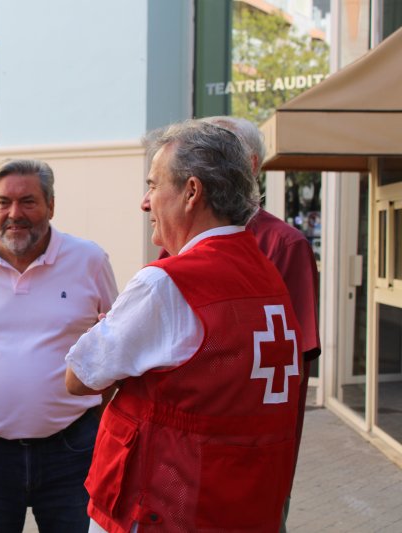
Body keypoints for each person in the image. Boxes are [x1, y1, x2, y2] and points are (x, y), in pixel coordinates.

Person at [65, 120, 303, 532]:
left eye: (154, 185)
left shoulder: (168, 283)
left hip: (163, 507)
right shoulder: (266, 275)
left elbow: (79, 378)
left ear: (192, 192)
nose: (145, 202)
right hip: (240, 506)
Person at [0, 159, 118, 532]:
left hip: (74, 449)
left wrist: (98, 418)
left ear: (51, 205)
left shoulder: (89, 260)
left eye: (28, 201)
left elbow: (113, 347)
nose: (14, 214)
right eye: (3, 203)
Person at [199, 116, 321, 531]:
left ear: (248, 164)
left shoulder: (285, 245)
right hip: (192, 448)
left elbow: (293, 362)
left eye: (211, 154)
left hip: (251, 450)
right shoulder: (184, 240)